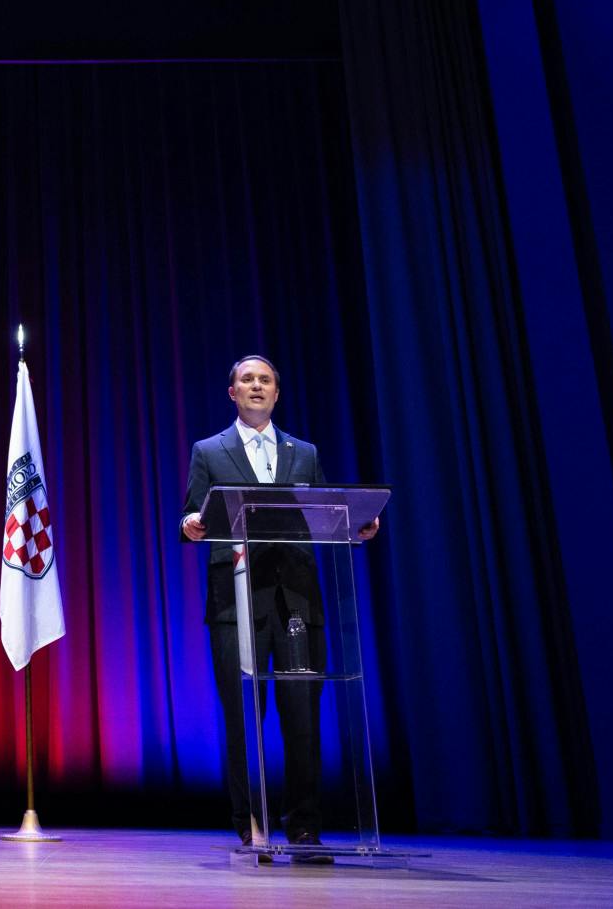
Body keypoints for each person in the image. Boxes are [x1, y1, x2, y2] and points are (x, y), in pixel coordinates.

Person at [180, 354, 378, 860]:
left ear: (276, 393)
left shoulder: (304, 452)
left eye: (265, 380)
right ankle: (253, 825)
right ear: (232, 392)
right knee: (245, 715)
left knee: (302, 715)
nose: (256, 386)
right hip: (236, 600)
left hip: (297, 601)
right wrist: (190, 524)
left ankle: (305, 827)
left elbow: (328, 513)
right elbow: (192, 511)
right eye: (247, 379)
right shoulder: (209, 450)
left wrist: (358, 526)